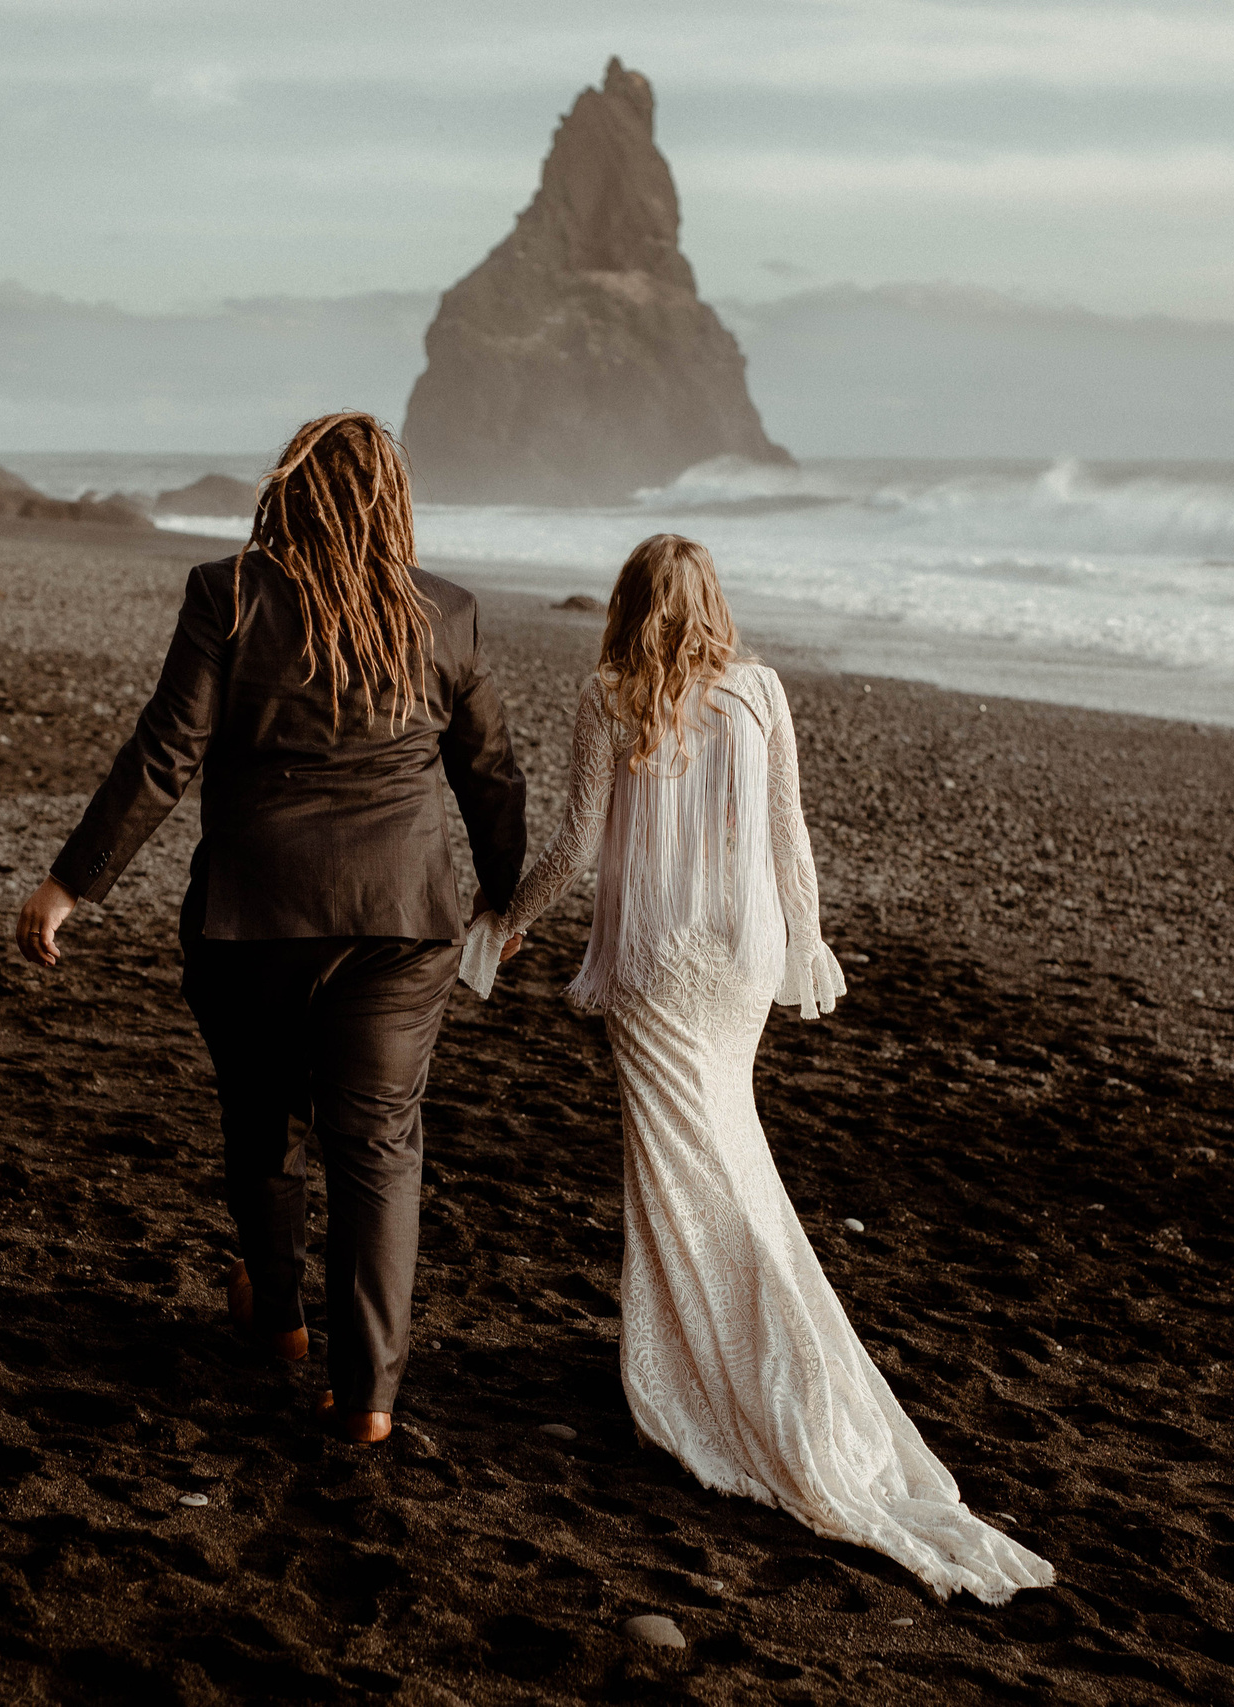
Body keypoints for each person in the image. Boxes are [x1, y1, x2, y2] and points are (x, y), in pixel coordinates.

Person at [461, 533, 1053, 1602]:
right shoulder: (762, 690)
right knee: (728, 1147)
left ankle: (700, 1376)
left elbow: (578, 845)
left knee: (680, 1166)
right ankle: (742, 1353)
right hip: (738, 961)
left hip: (650, 962)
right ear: (710, 603)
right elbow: (790, 842)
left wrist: (509, 919)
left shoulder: (605, 694)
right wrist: (806, 944)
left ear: (628, 603)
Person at [16, 412, 527, 1446]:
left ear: (286, 491)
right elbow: (490, 773)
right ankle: (368, 1392)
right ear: (393, 502)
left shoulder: (231, 593)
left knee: (260, 1112)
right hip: (400, 919)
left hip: (254, 915)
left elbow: (167, 749)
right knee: (377, 1144)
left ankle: (285, 1318)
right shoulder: (448, 612)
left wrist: (72, 884)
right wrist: (499, 902)